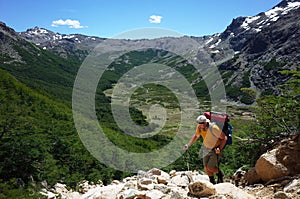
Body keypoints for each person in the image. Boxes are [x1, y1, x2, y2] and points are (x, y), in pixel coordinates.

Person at [183, 115, 227, 184]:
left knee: (210, 167)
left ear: (206, 122)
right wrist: (188, 145)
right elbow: (196, 136)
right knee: (206, 168)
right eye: (199, 123)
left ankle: (220, 174)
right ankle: (212, 182)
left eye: (202, 123)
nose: (200, 125)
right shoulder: (199, 127)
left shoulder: (213, 128)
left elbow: (224, 138)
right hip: (205, 148)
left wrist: (220, 148)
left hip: (214, 149)